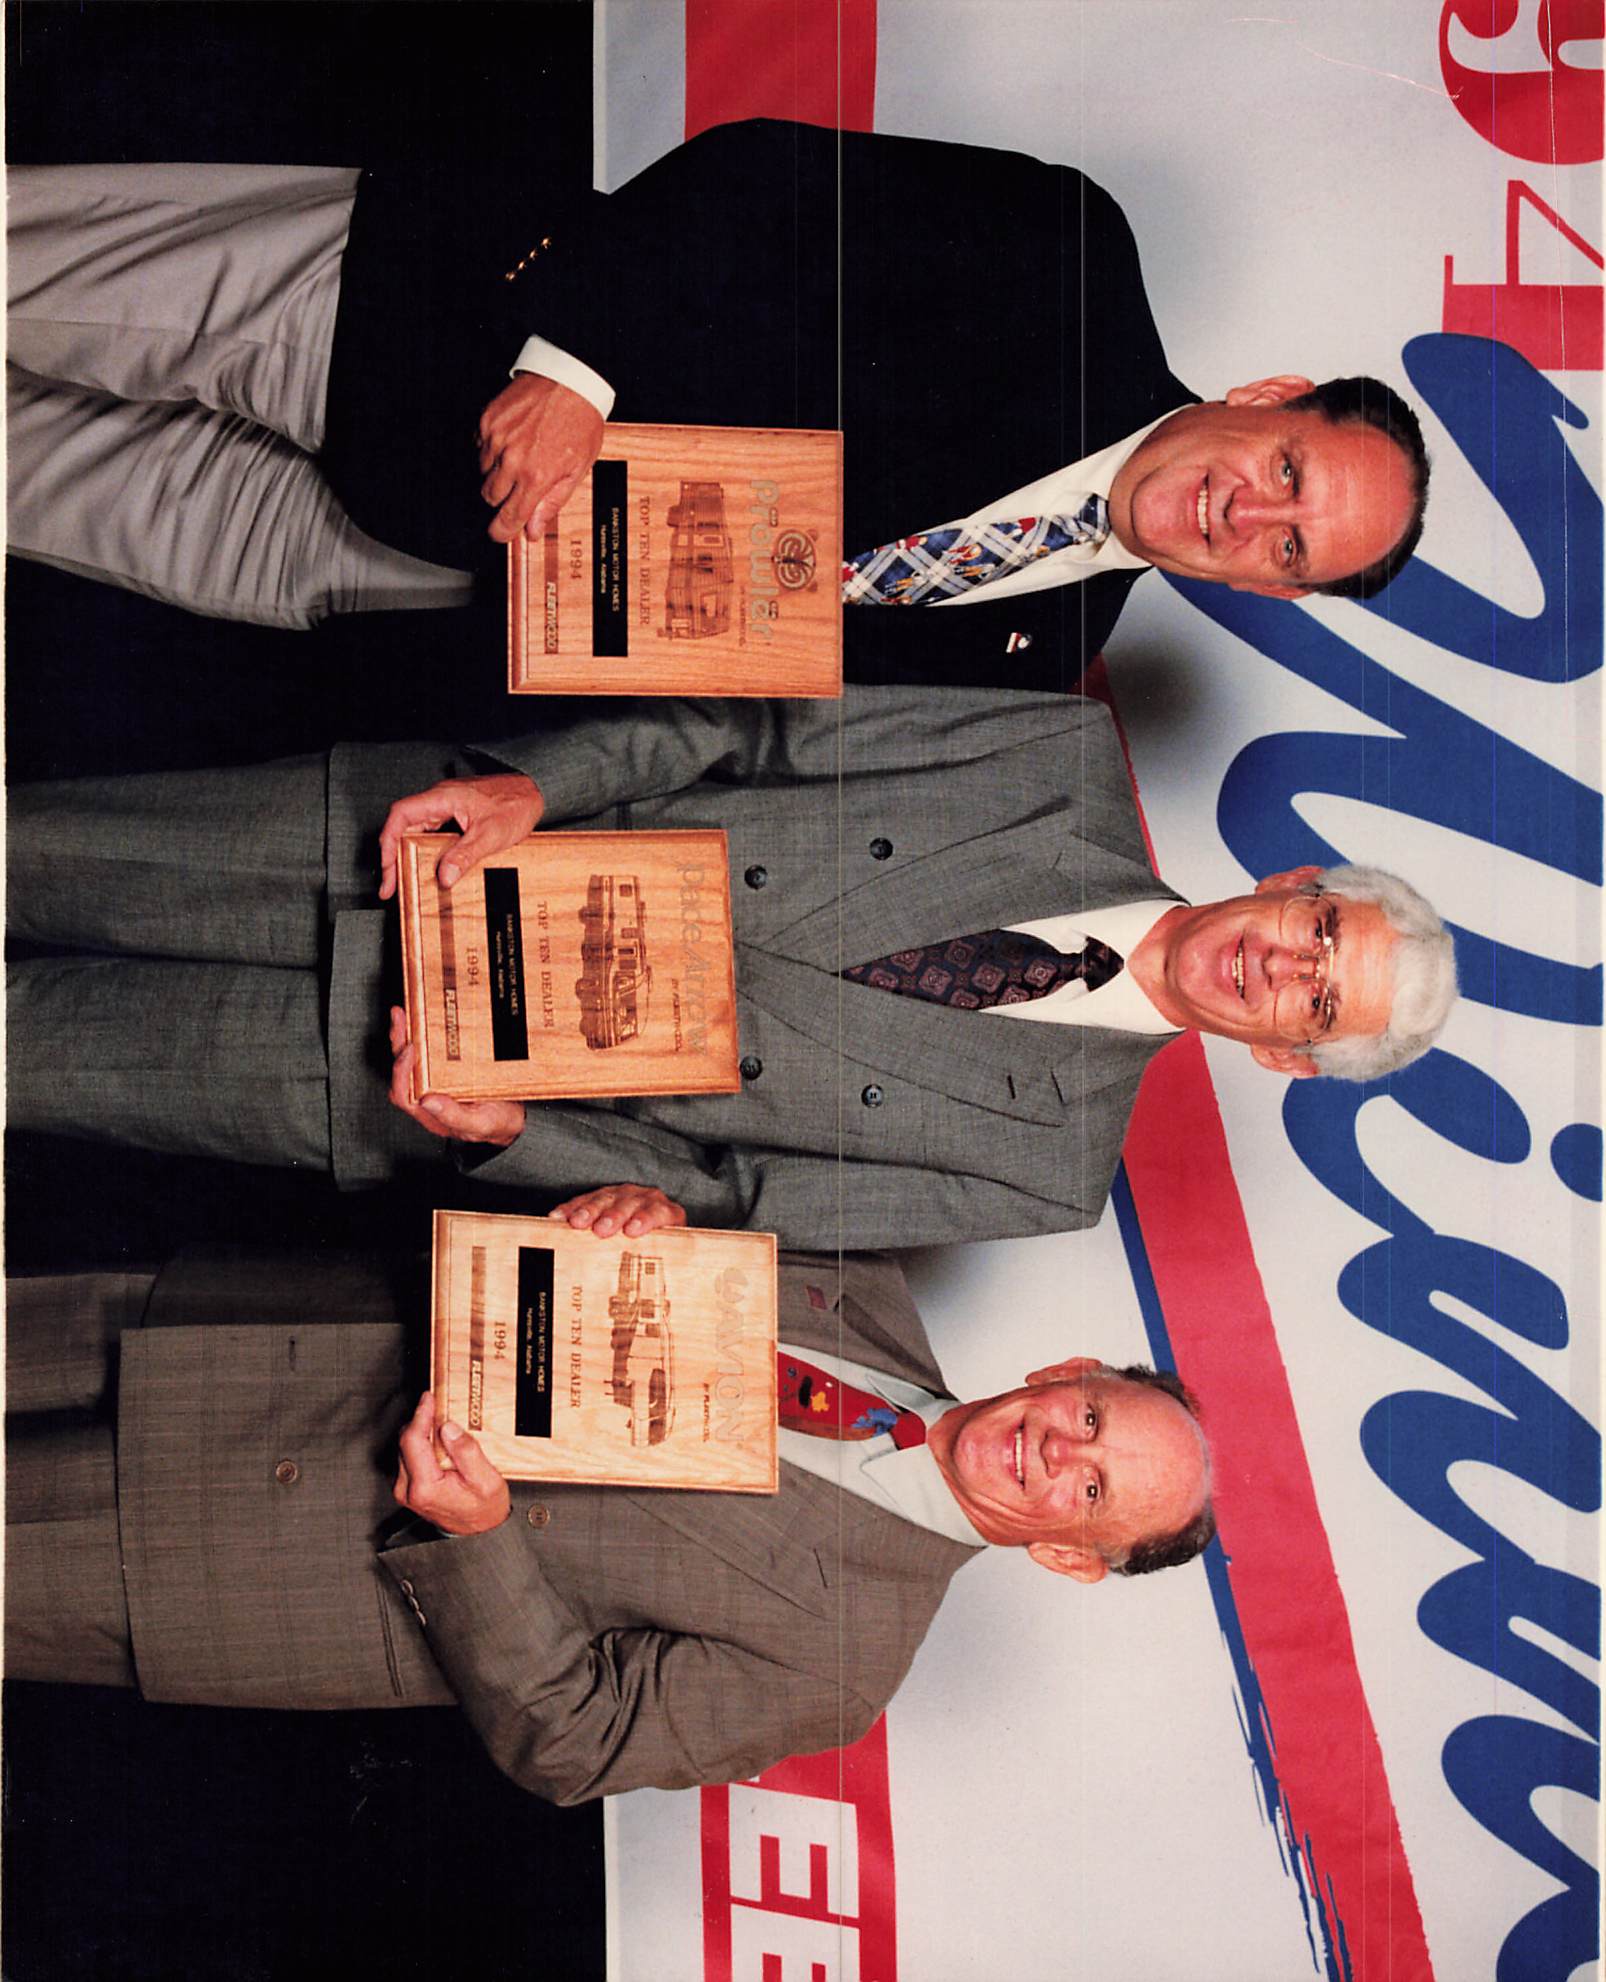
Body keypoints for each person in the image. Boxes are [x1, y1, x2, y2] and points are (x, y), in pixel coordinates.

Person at [7, 687, 1459, 1250]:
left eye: (1315, 1002)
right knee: (29, 847)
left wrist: (512, 1134)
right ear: (1293, 883)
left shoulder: (1047, 1171)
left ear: (1284, 1054)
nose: (1282, 966)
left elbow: (727, 1198)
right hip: (433, 844)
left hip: (409, 1070)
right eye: (1320, 932)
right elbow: (753, 731)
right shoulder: (1060, 758)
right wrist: (536, 784)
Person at [6, 122, 1429, 690]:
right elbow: (763, 180)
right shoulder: (1070, 258)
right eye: (1288, 474)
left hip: (403, 562)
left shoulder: (1043, 647)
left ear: (1269, 592)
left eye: (1288, 549)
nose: (1247, 515)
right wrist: (576, 372)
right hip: (404, 323)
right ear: (1270, 398)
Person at [4, 1236, 1214, 1803]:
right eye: (1092, 1418)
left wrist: (477, 1536)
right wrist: (634, 1203)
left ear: (1067, 1556)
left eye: (1091, 1493)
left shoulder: (844, 1664)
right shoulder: (862, 1282)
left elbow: (575, 1739)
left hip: (250, 1557)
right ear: (1068, 1370)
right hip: (254, 1327)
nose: (1060, 1450)